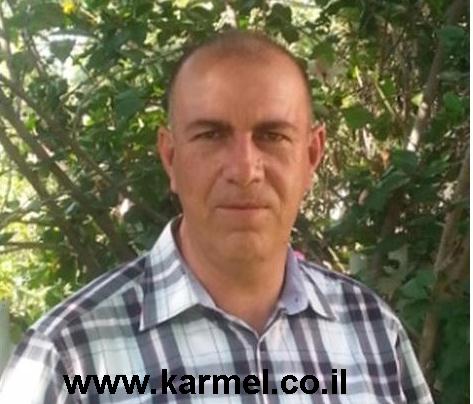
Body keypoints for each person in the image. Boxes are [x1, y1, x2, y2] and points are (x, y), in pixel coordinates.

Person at [0, 30, 433, 403]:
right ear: (171, 157)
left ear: (312, 155)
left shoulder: (373, 332)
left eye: (272, 135)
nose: (244, 170)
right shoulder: (67, 357)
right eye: (211, 135)